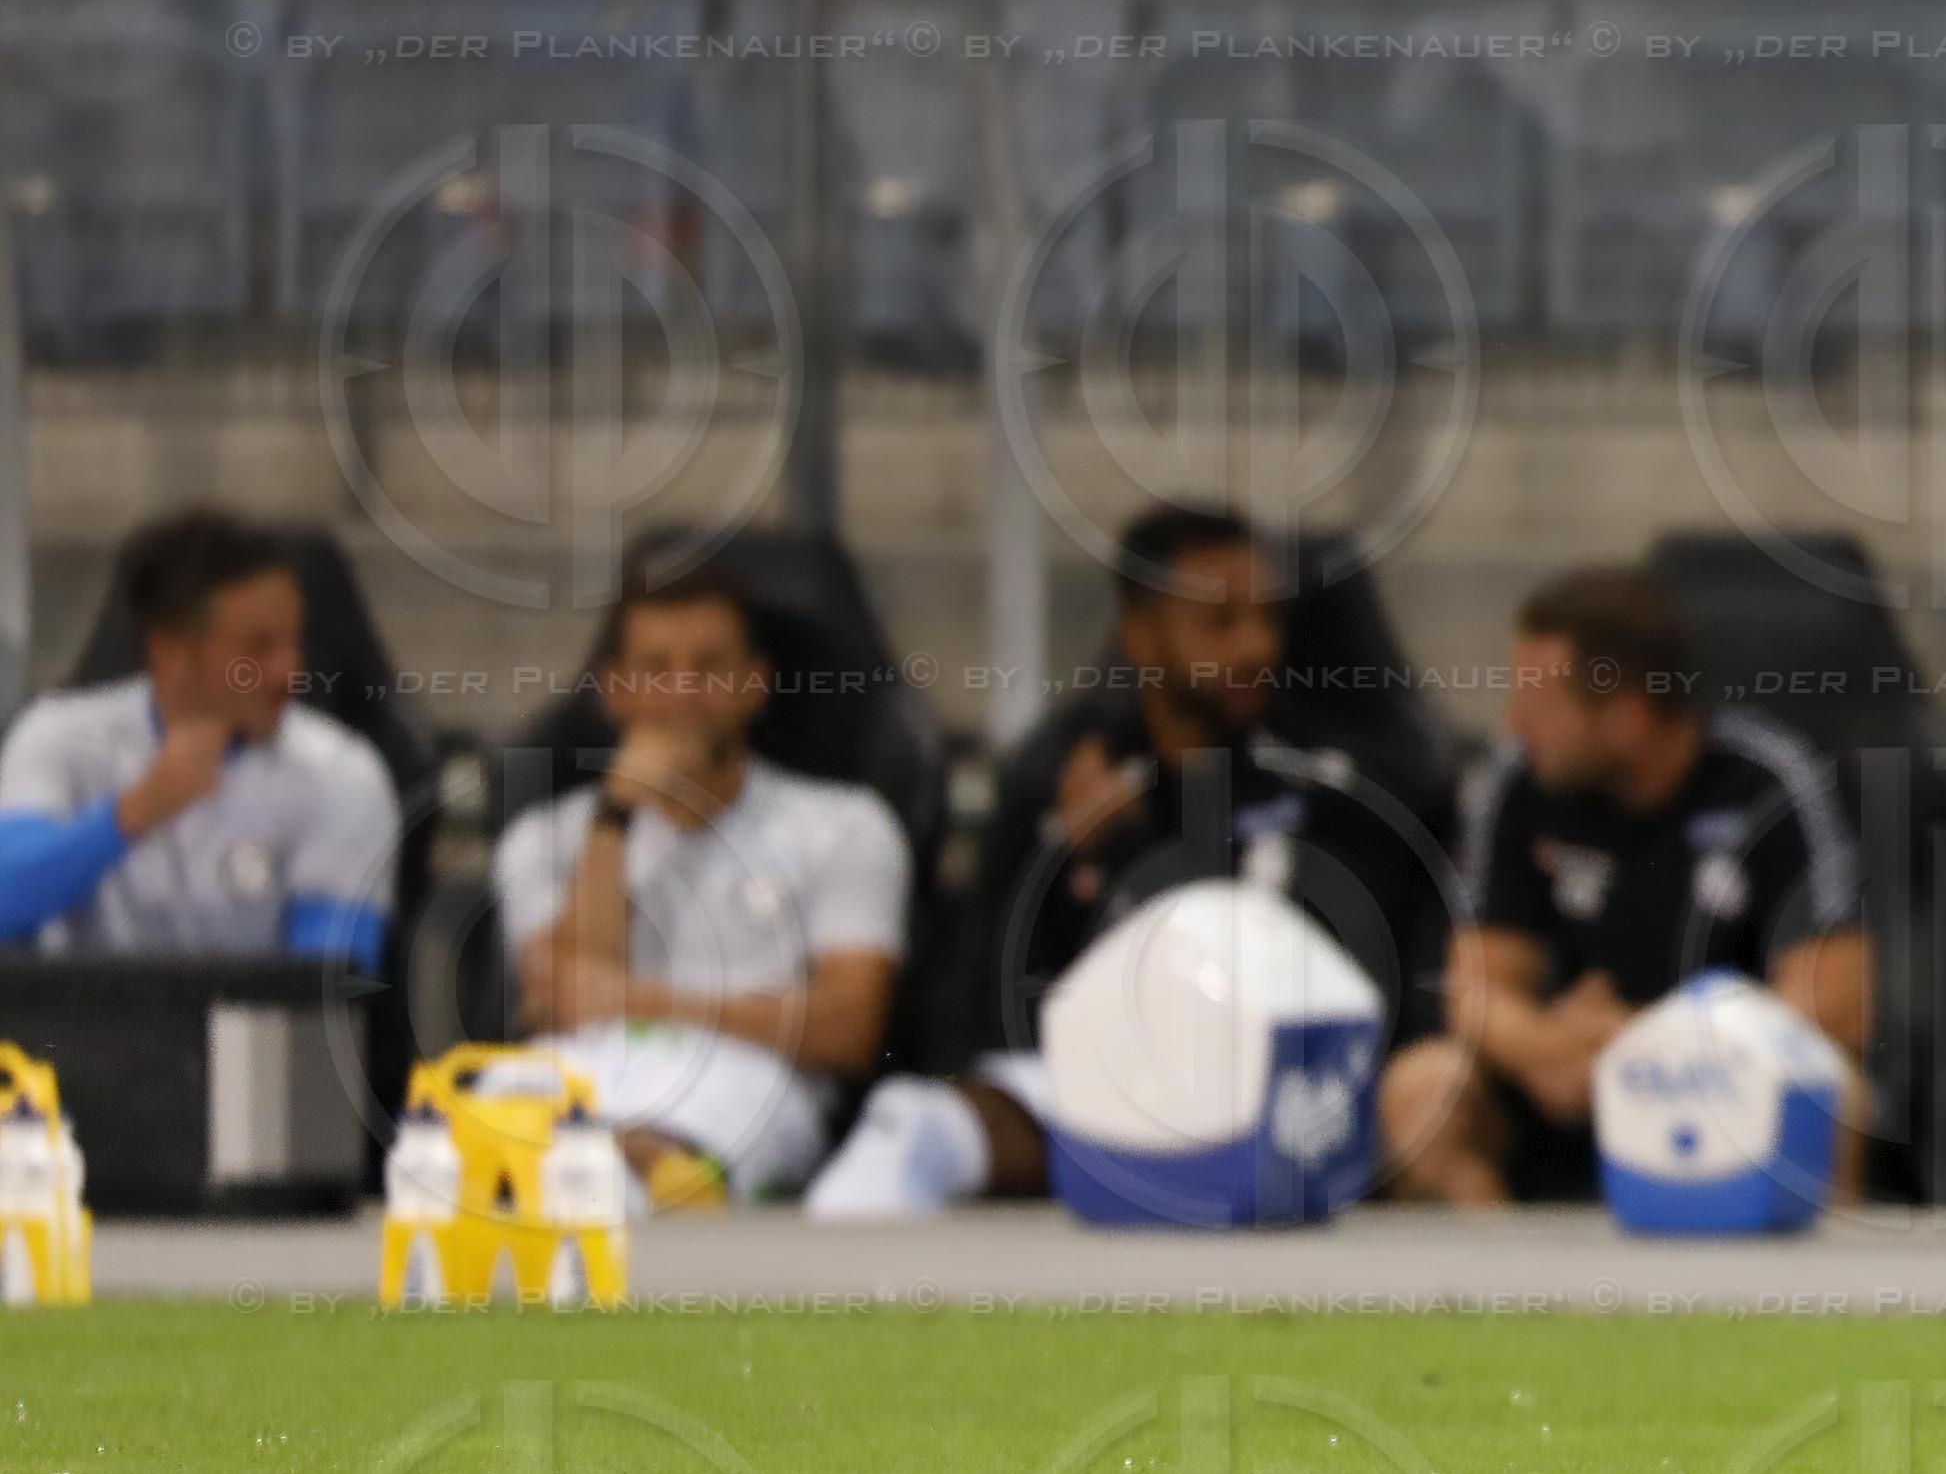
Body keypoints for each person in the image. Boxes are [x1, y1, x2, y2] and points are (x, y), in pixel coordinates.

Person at [809, 504, 1454, 1215]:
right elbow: (995, 979)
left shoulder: (1336, 780)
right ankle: (914, 1157)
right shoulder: (1062, 774)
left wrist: (1130, 856)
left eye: (1268, 620)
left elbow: (1277, 974)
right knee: (979, 1105)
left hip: (1288, 1086)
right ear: (1141, 633)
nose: (1255, 648)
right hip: (1106, 1077)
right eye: (1219, 623)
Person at [1380, 564, 1866, 1203]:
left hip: (1719, 1084)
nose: (1511, 725)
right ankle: (1505, 1294)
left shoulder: (1770, 782)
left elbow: (1837, 1003)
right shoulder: (1517, 784)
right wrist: (1538, 1047)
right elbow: (1476, 987)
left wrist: (1643, 1046)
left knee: (1840, 1097)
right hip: (1557, 1084)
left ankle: (1801, 1298)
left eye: (1537, 702)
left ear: (1629, 718)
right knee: (1422, 1088)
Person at [491, 552, 909, 1207]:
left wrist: (640, 1002)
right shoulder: (542, 839)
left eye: (709, 667)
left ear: (756, 683)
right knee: (474, 1125)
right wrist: (616, 816)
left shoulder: (847, 826)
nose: (682, 692)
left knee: (625, 1178)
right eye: (656, 669)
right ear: (614, 689)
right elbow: (567, 1008)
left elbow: (849, 1028)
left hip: (749, 1076)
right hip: (583, 1066)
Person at [0, 509, 397, 967]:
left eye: (294, 642)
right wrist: (136, 810)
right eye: (258, 648)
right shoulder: (59, 735)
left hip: (252, 1039)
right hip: (71, 1031)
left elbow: (329, 979)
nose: (290, 672)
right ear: (170, 652)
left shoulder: (343, 772)